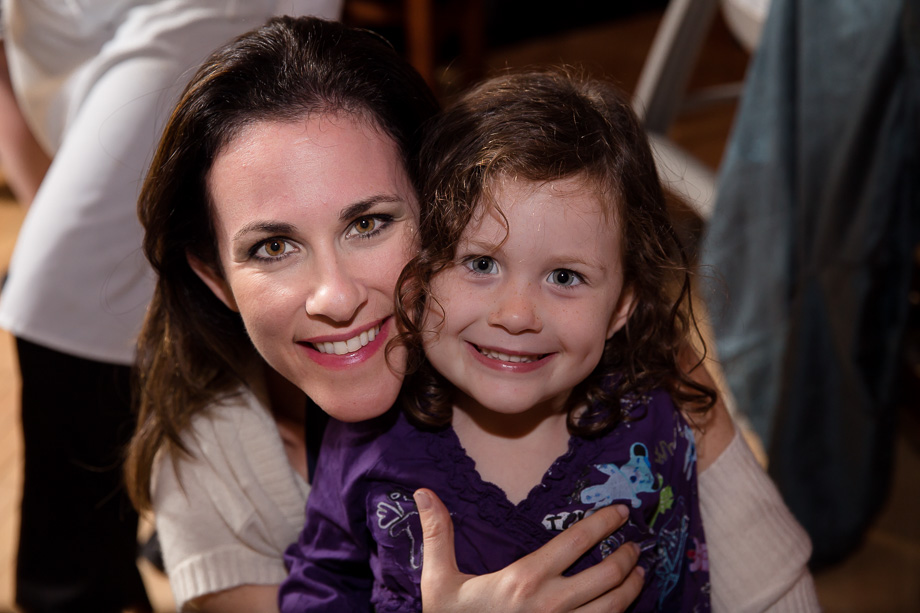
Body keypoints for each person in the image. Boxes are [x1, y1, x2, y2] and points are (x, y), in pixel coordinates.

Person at [126, 14, 820, 613]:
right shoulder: (210, 463)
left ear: (450, 204)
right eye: (273, 246)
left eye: (368, 222)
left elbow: (771, 587)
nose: (334, 297)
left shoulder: (627, 367)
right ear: (215, 274)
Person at [280, 68, 712, 612]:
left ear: (622, 305)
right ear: (420, 274)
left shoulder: (654, 425)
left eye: (565, 277)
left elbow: (688, 584)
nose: (516, 315)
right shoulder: (369, 439)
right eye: (481, 263)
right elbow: (319, 587)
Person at [0, 1, 339, 611]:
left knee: (57, 299)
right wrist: (58, 212)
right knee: (160, 269)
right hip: (56, 38)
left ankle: (73, 583)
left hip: (197, 11)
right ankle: (192, 514)